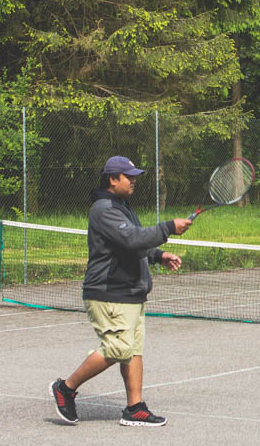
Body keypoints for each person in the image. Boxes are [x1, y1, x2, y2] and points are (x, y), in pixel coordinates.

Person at [50, 155, 190, 427]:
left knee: (134, 350)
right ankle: (65, 388)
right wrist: (168, 228)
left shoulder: (122, 206)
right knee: (117, 348)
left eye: (135, 176)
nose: (134, 181)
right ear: (113, 179)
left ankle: (134, 408)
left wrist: (158, 255)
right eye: (129, 177)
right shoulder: (104, 209)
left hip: (130, 292)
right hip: (109, 292)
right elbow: (131, 238)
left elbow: (133, 244)